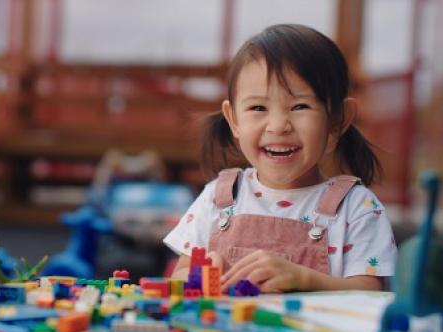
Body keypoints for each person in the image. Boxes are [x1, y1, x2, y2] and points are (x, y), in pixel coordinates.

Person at [163, 24, 397, 293]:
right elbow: (179, 277)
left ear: (337, 120)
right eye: (258, 107)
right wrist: (198, 275)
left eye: (300, 106)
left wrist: (306, 280)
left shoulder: (356, 209)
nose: (278, 126)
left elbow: (370, 294)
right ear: (234, 119)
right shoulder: (219, 198)